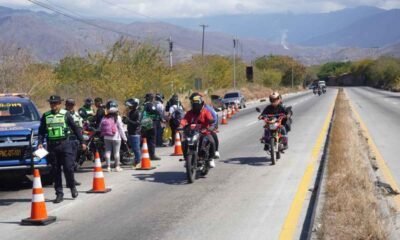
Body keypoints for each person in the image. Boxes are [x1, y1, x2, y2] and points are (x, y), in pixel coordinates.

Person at [38, 95, 86, 204]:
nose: (53, 105)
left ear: (59, 104)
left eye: (55, 103)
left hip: (65, 144)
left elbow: (75, 128)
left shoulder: (66, 114)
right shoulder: (46, 116)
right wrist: (40, 143)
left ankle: (72, 186)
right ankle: (59, 193)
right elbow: (41, 131)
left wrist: (82, 142)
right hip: (52, 146)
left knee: (68, 168)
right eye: (51, 103)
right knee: (55, 170)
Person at [181, 93, 216, 168]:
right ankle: (186, 159)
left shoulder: (205, 112)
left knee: (212, 141)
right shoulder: (189, 113)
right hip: (192, 133)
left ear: (201, 104)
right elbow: (184, 120)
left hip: (204, 132)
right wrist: (181, 126)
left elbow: (210, 119)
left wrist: (211, 122)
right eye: (194, 104)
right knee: (184, 142)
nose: (196, 106)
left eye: (197, 105)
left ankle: (211, 159)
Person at [100, 100, 127, 172]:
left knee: (107, 151)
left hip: (106, 137)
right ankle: (117, 167)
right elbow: (121, 128)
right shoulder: (117, 117)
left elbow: (100, 127)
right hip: (116, 137)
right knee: (116, 152)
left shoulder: (104, 117)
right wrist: (124, 138)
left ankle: (108, 167)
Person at [65, 98, 83, 185]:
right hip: (66, 139)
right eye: (69, 104)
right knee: (68, 162)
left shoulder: (76, 114)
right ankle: (69, 181)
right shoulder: (63, 114)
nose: (70, 106)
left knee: (73, 161)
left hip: (75, 139)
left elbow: (79, 126)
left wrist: (81, 139)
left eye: (72, 105)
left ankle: (71, 180)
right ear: (66, 105)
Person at [141, 93, 161, 160]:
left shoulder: (143, 105)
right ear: (151, 98)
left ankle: (145, 154)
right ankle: (152, 155)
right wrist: (158, 113)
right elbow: (154, 111)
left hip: (144, 123)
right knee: (152, 139)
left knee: (145, 139)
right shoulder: (150, 105)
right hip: (150, 122)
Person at [124, 98, 141, 168]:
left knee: (136, 149)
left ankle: (138, 162)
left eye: (131, 105)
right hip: (130, 132)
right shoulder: (131, 112)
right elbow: (128, 122)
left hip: (135, 133)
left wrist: (129, 120)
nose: (129, 106)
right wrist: (124, 120)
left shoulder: (137, 112)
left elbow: (137, 123)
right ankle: (136, 160)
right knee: (133, 149)